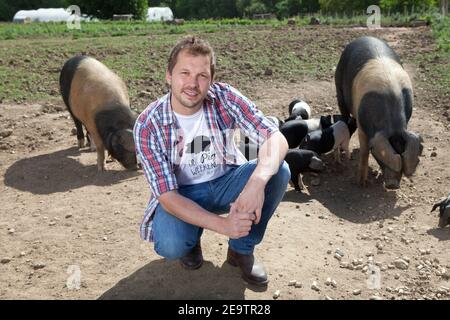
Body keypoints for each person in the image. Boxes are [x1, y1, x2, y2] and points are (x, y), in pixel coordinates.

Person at [133, 35, 290, 286]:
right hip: (182, 193)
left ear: (211, 79)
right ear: (168, 76)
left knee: (278, 170)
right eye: (184, 73)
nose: (193, 84)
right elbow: (167, 196)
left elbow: (275, 137)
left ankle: (241, 249)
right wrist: (223, 225)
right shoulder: (147, 124)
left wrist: (256, 184)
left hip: (227, 181)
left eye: (202, 75)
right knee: (171, 245)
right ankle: (190, 240)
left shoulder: (225, 97)